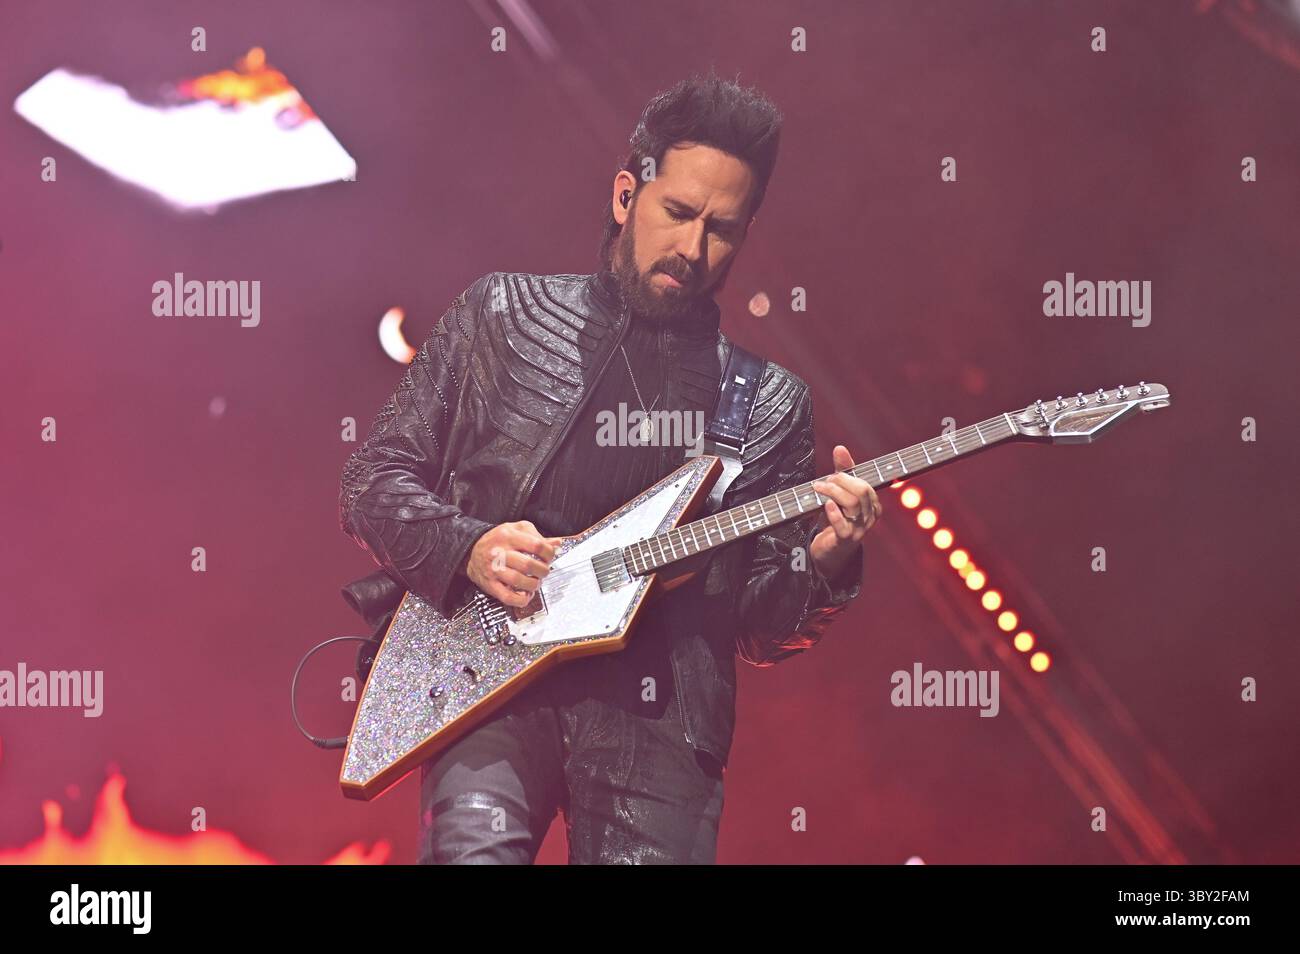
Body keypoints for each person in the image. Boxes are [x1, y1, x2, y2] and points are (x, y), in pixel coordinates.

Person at [338, 70, 881, 864]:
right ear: (628, 194)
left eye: (722, 229)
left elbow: (762, 629)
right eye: (679, 213)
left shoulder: (765, 403)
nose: (694, 250)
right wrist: (470, 547)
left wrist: (828, 558)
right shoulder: (504, 314)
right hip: (486, 684)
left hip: (659, 734)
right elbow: (372, 481)